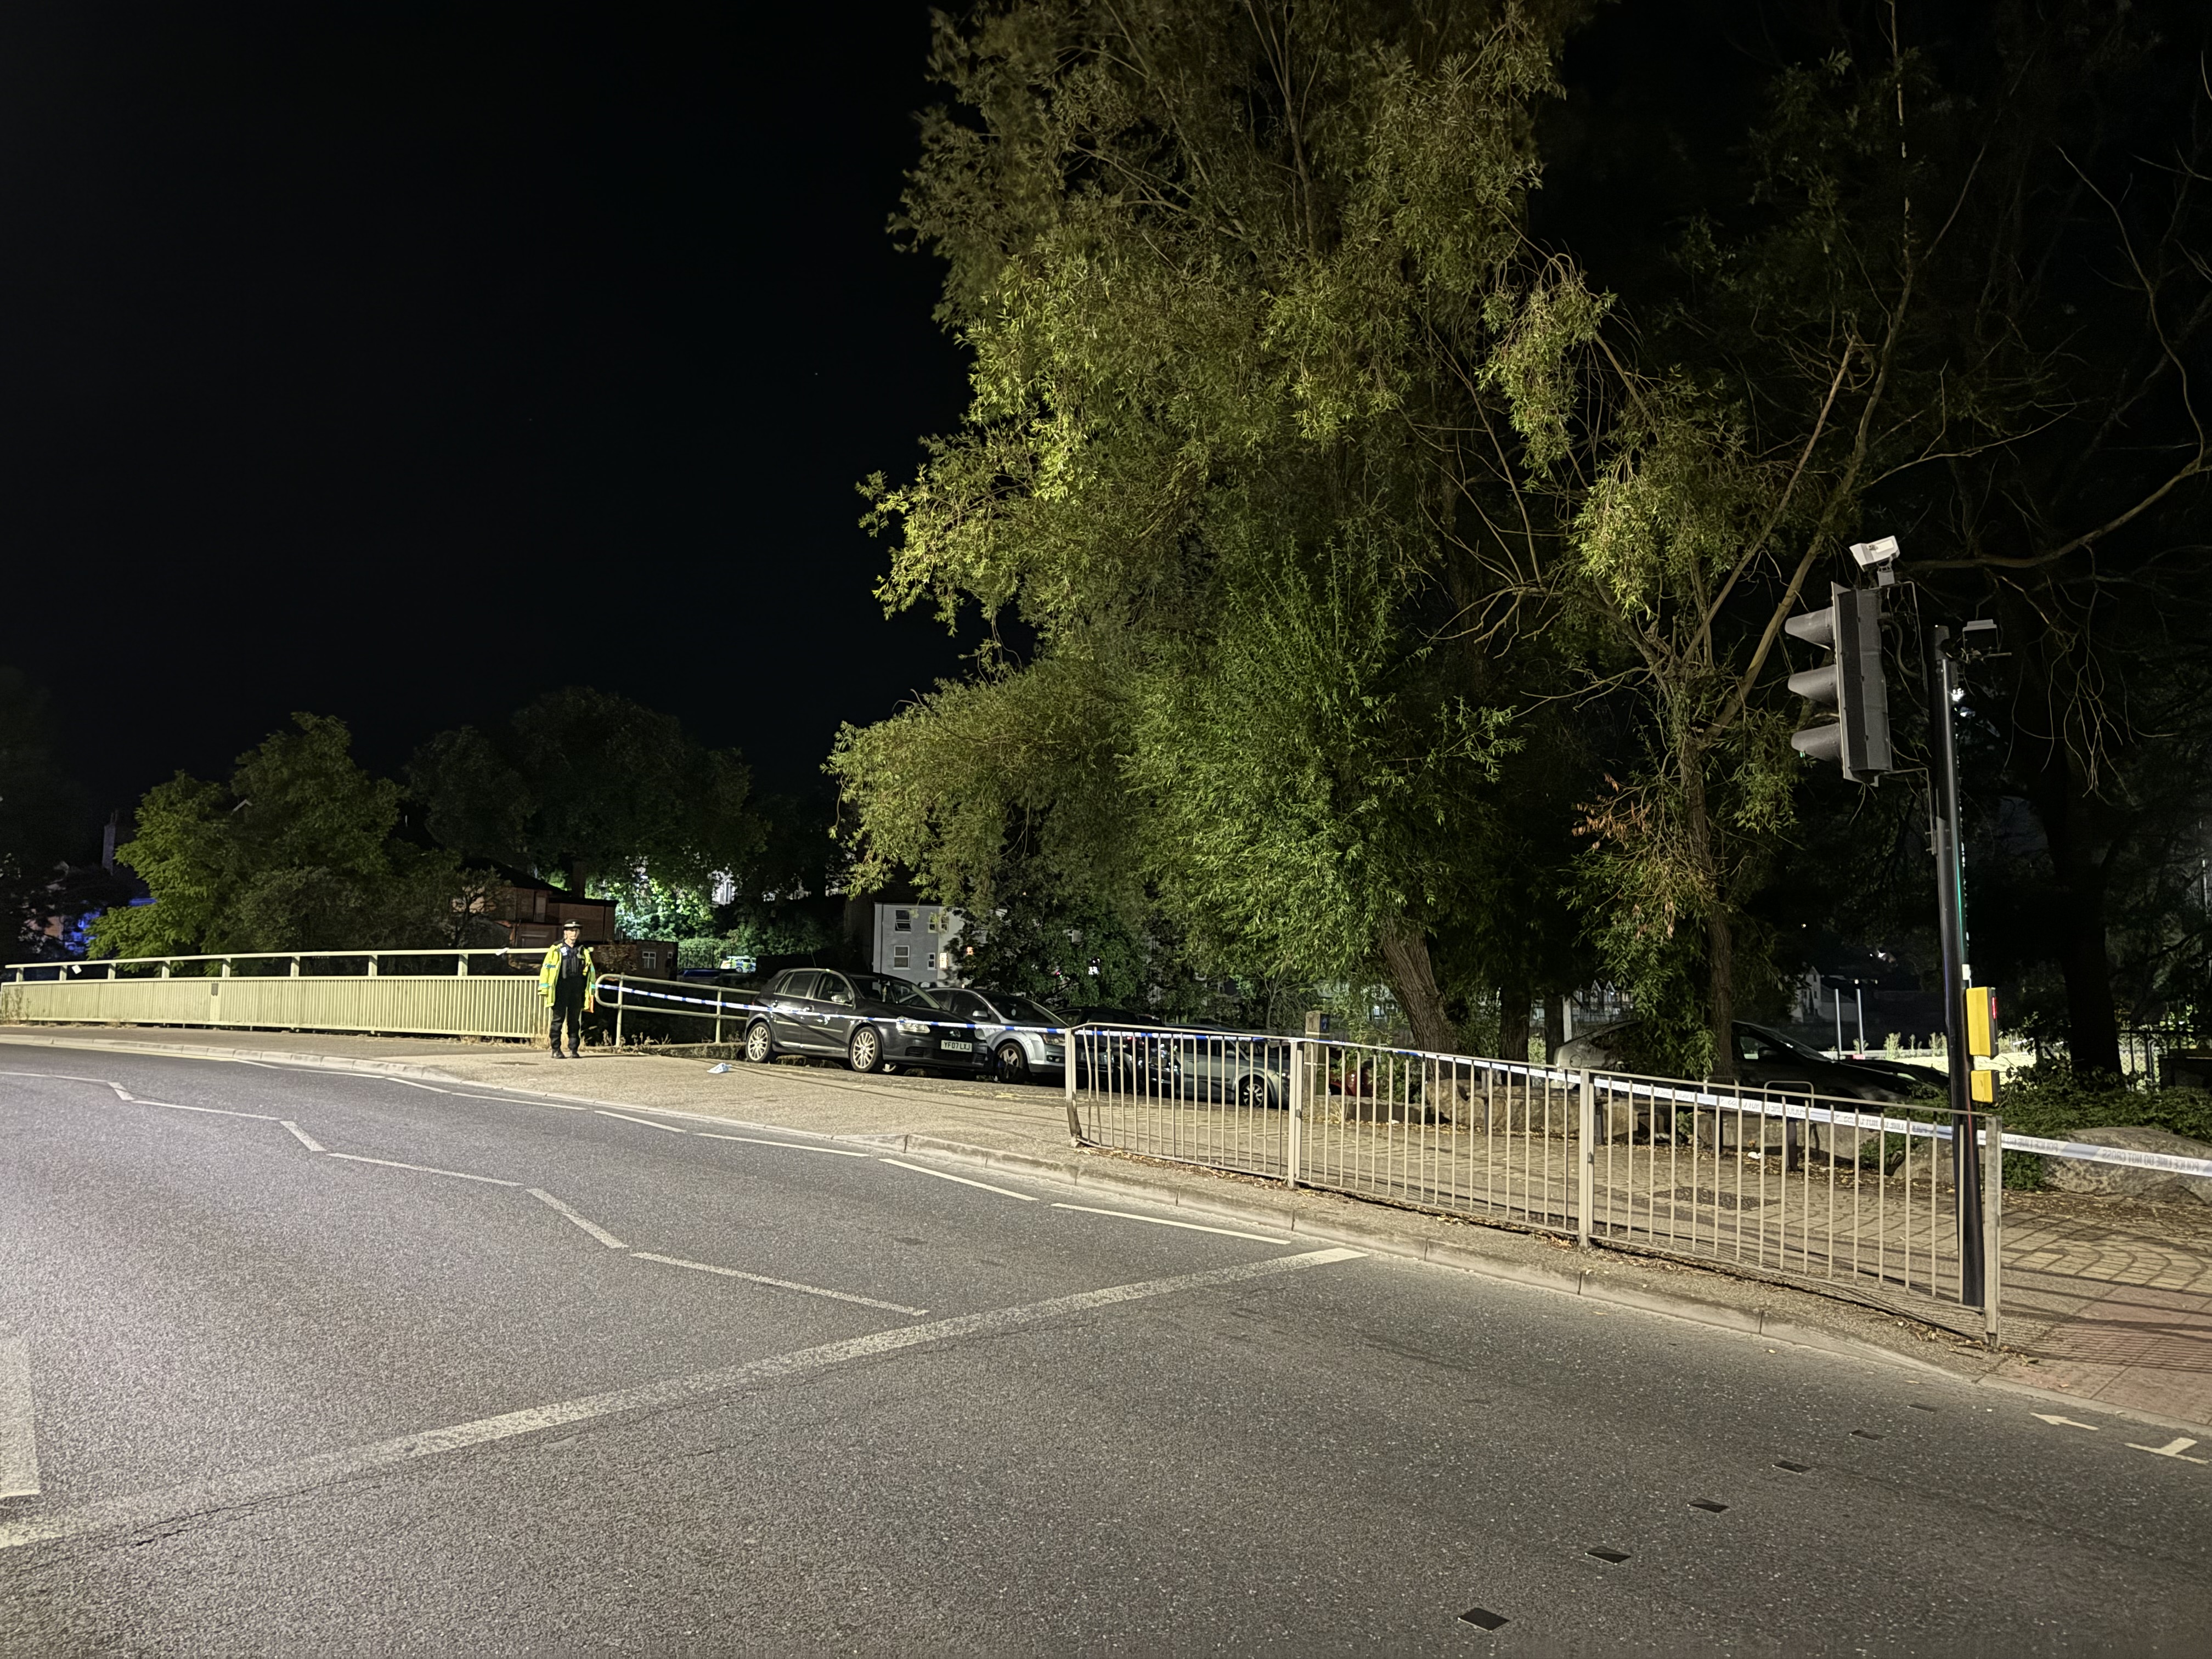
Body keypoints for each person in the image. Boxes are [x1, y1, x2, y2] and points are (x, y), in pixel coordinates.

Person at [539, 919, 598, 1058]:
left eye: (576, 930)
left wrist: (590, 990)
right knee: (558, 1020)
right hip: (561, 988)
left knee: (574, 1021)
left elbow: (590, 971)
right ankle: (556, 1050)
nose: (574, 933)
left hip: (577, 988)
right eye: (571, 930)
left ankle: (573, 1049)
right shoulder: (556, 948)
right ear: (565, 932)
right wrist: (544, 988)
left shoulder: (583, 950)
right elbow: (546, 969)